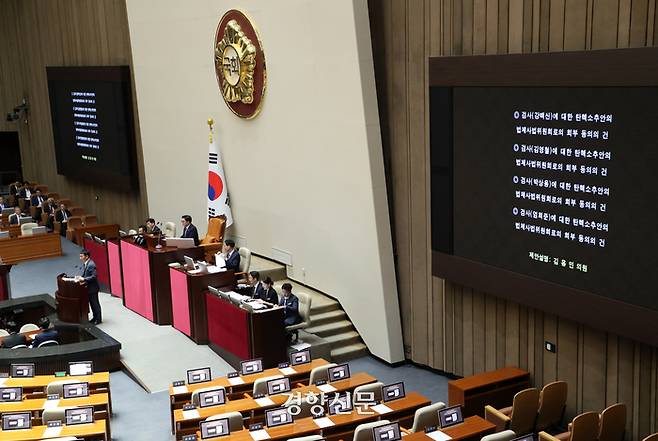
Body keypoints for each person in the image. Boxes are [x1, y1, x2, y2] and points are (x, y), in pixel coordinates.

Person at [76, 250, 101, 324]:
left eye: (81, 256)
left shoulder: (91, 265)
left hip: (93, 288)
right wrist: (81, 277)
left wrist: (84, 279)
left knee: (95, 304)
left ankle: (98, 319)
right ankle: (95, 317)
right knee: (92, 304)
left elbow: (94, 276)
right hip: (89, 288)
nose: (80, 258)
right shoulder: (86, 263)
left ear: (87, 256)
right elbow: (86, 274)